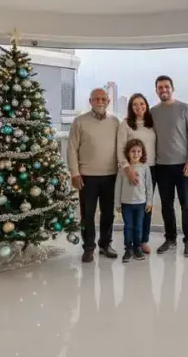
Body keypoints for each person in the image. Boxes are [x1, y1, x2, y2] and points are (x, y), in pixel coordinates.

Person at [126, 75, 188, 257]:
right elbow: (141, 128)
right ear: (156, 91)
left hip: (183, 165)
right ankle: (170, 239)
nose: (163, 90)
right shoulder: (153, 112)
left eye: (166, 86)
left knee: (187, 204)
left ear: (172, 88)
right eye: (160, 87)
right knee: (166, 205)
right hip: (161, 166)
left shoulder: (185, 108)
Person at [67, 88, 119, 263]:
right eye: (96, 99)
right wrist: (74, 173)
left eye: (103, 99)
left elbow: (121, 147)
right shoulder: (79, 121)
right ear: (90, 101)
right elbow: (72, 148)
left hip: (111, 175)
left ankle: (105, 244)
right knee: (87, 214)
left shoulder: (115, 121)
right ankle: (88, 247)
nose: (100, 102)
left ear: (108, 102)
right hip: (87, 176)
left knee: (108, 213)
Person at [117, 93, 157, 254]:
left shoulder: (151, 123)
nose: (139, 107)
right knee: (132, 206)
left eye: (142, 103)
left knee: (146, 206)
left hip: (150, 168)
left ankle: (142, 241)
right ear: (130, 107)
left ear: (146, 105)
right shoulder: (125, 124)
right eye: (135, 104)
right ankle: (130, 243)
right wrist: (127, 170)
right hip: (132, 169)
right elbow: (120, 149)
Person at [115, 138, 153, 263]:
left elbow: (149, 186)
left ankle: (138, 247)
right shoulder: (123, 169)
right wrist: (117, 203)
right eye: (133, 151)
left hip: (141, 203)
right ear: (128, 153)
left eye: (138, 151)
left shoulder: (145, 168)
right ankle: (128, 249)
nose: (136, 154)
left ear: (142, 153)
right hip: (126, 204)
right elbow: (118, 187)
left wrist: (149, 202)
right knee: (128, 227)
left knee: (138, 226)